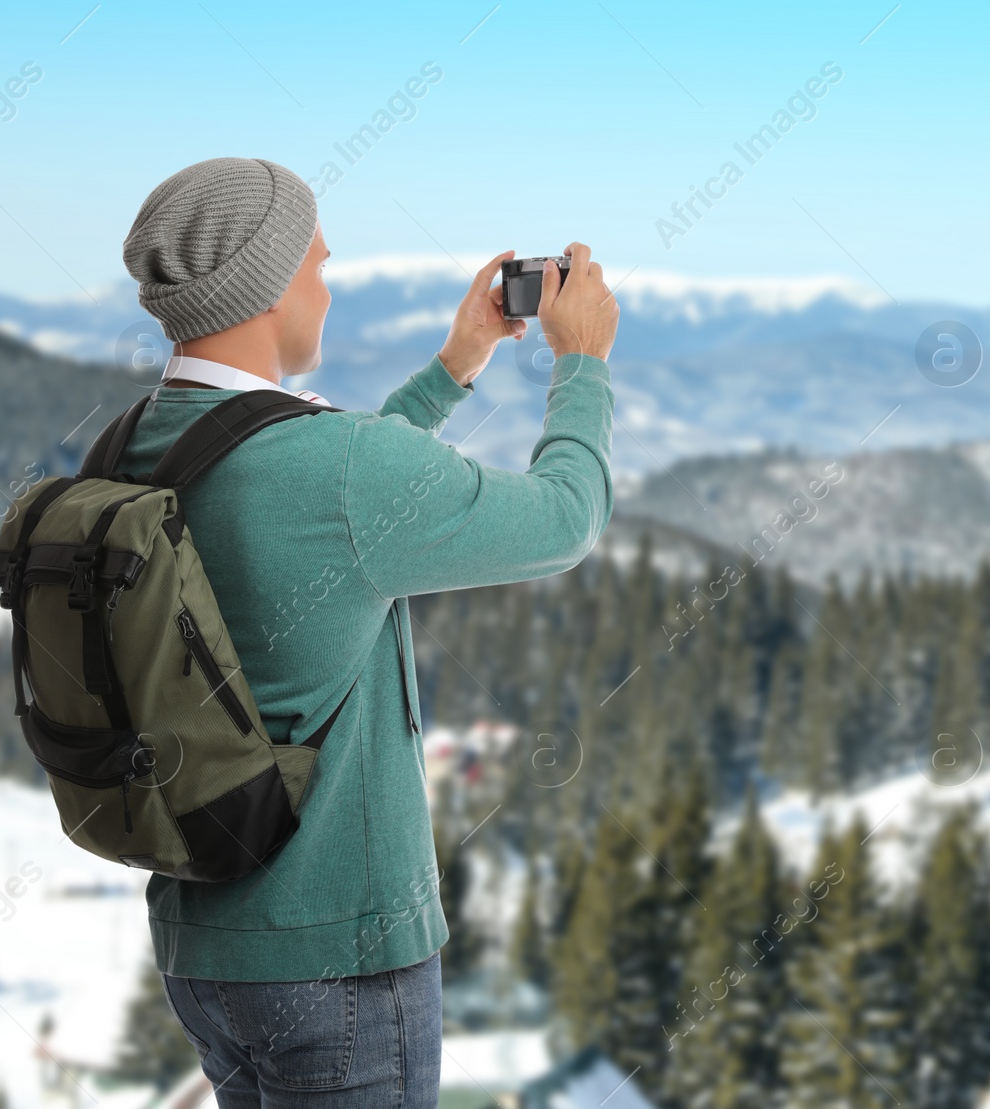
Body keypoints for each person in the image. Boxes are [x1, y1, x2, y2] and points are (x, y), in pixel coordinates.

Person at [113, 156, 617, 1107]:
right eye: (317, 264)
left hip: (203, 949)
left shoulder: (142, 440)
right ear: (265, 288)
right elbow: (565, 520)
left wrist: (455, 366)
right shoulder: (328, 469)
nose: (328, 288)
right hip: (337, 956)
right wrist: (582, 365)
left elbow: (326, 516)